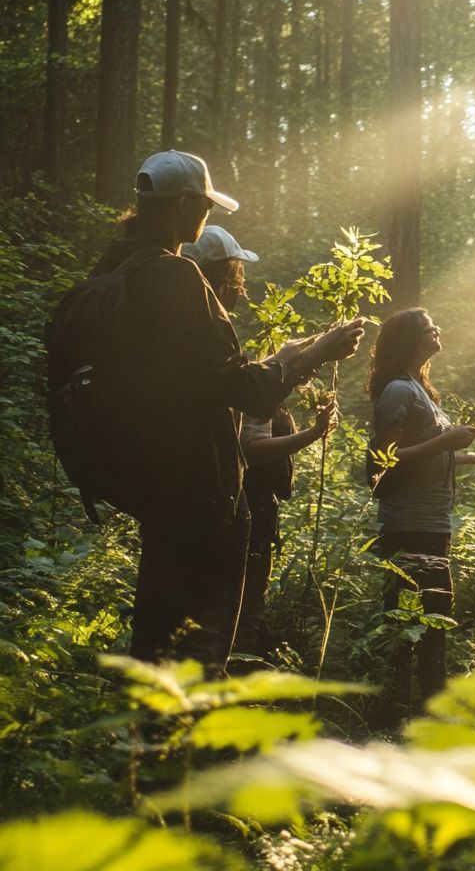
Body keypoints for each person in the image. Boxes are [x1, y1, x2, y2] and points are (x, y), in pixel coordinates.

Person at [91, 150, 364, 672]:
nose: (206, 219)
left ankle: (148, 742)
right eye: (205, 207)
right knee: (200, 644)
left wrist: (288, 360)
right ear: (185, 204)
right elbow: (239, 390)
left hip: (154, 484)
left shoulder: (121, 269)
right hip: (200, 492)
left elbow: (194, 379)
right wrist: (313, 354)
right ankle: (186, 743)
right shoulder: (173, 277)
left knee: (158, 638)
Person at [180, 224, 339, 661]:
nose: (242, 286)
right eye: (237, 274)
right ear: (225, 277)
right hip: (225, 503)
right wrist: (311, 433)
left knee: (219, 613)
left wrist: (296, 359)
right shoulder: (208, 331)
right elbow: (248, 444)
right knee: (232, 614)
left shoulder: (191, 329)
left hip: (208, 500)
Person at [368, 309, 475, 709]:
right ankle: (402, 710)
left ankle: (422, 706)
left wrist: (474, 457)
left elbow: (423, 455)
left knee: (433, 615)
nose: (437, 329)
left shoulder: (420, 389)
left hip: (431, 519)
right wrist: (447, 442)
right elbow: (383, 460)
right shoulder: (398, 391)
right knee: (414, 618)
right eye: (428, 327)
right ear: (410, 340)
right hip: (409, 522)